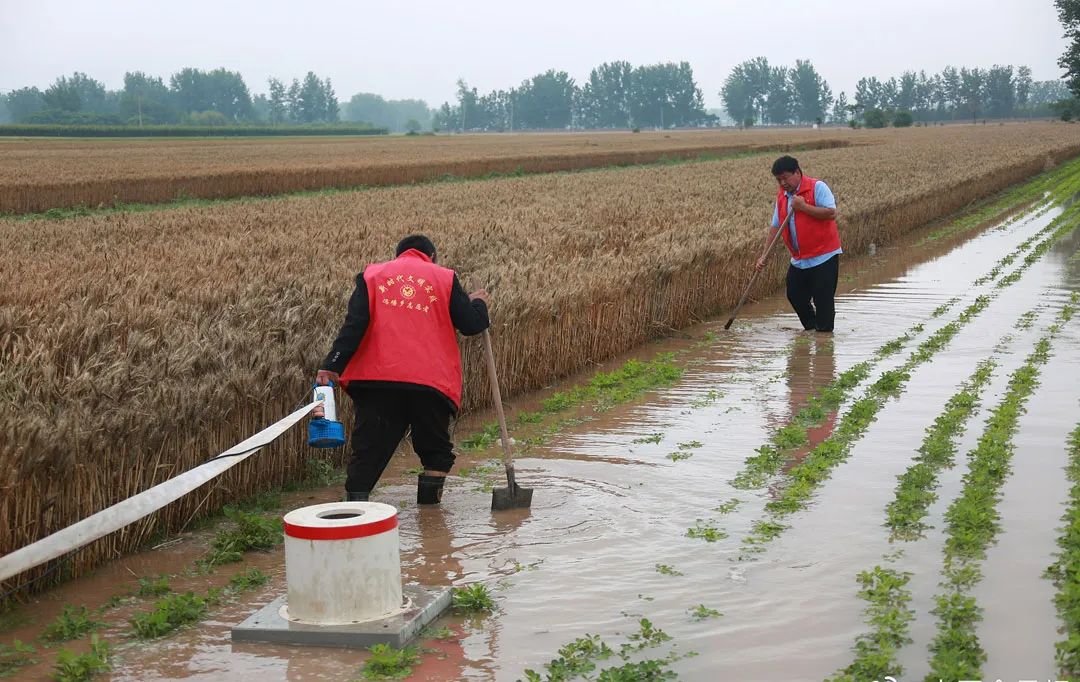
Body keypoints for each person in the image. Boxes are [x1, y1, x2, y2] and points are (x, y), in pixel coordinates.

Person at [314, 234, 490, 504]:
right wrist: (478, 303)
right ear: (432, 256)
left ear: (399, 254)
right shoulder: (444, 277)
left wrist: (332, 364)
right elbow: (472, 325)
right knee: (436, 452)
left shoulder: (372, 276)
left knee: (368, 453)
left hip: (376, 383)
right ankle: (431, 522)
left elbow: (353, 326)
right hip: (429, 384)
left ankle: (354, 517)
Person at [755, 155, 842, 332]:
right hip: (799, 259)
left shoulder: (817, 187)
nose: (782, 183)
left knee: (823, 301)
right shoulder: (782, 197)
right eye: (778, 180)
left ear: (797, 172)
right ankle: (811, 329)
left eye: (785, 178)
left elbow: (831, 213)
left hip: (823, 256)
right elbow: (775, 226)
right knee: (794, 295)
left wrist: (804, 207)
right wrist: (764, 255)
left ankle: (824, 341)